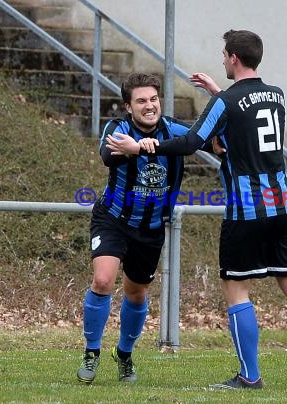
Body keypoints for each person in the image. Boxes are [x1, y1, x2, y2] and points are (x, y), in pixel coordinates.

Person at [107, 30, 287, 391]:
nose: (222, 61)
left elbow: (192, 141)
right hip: (282, 206)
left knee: (237, 290)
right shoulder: (277, 97)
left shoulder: (227, 103)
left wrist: (141, 147)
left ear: (234, 58)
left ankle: (250, 376)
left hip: (245, 210)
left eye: (224, 55)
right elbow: (246, 119)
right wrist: (218, 94)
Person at [77, 72, 212, 384]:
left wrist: (219, 143)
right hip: (113, 218)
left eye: (153, 99)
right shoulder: (118, 128)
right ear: (128, 106)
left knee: (136, 294)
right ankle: (92, 351)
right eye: (141, 101)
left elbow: (201, 139)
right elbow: (107, 156)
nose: (149, 106)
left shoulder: (175, 129)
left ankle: (124, 354)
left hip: (151, 228)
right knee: (102, 280)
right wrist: (134, 146)